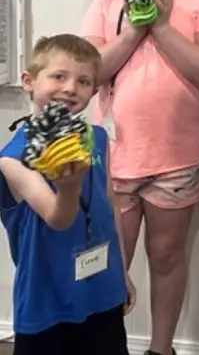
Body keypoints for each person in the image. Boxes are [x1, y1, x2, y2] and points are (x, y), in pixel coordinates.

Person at [81, 0, 199, 355]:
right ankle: (108, 345)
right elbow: (90, 75)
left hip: (181, 156)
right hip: (115, 157)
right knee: (108, 264)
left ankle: (162, 349)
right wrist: (134, 27)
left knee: (166, 255)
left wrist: (161, 24)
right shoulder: (106, 5)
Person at [0, 34, 137, 355]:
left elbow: (110, 206)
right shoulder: (13, 158)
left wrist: (122, 272)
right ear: (28, 81)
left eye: (84, 81)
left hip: (102, 289)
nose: (70, 88)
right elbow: (58, 218)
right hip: (47, 301)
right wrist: (69, 187)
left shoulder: (98, 138)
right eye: (58, 76)